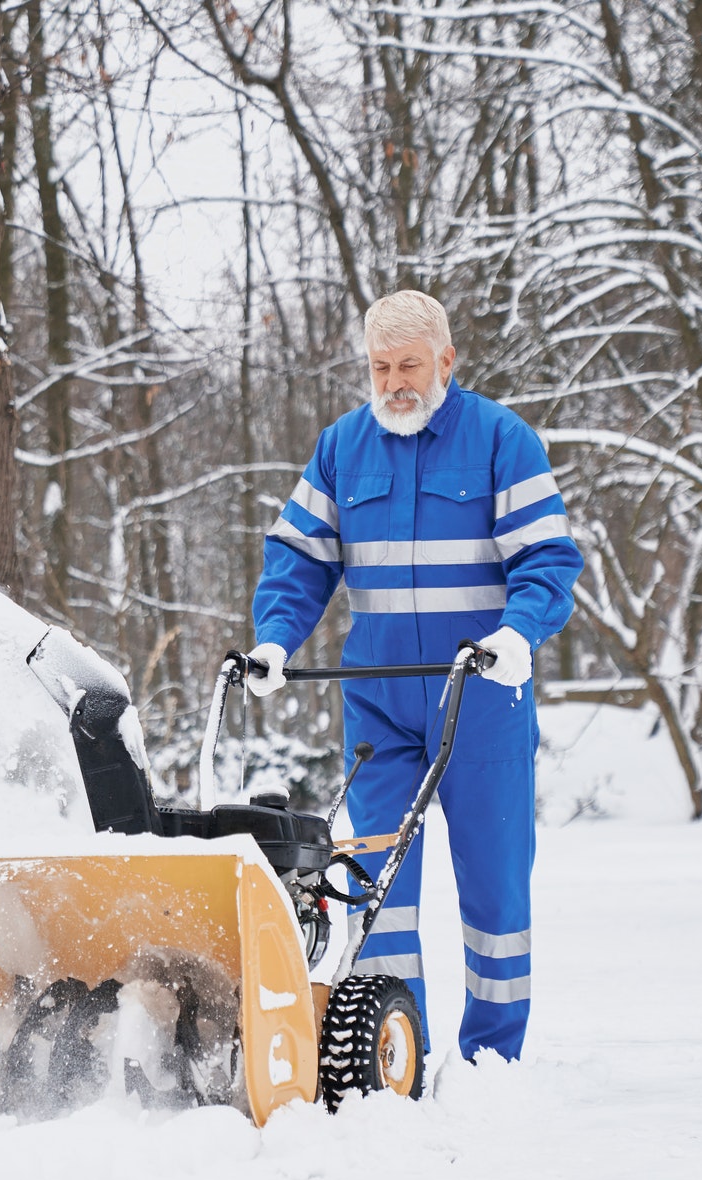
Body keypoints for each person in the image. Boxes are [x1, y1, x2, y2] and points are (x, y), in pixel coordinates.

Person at [246, 290, 580, 1062]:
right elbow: (298, 560)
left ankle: (492, 1059)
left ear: (446, 360)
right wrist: (273, 642)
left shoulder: (502, 438)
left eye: (410, 365)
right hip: (381, 702)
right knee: (377, 889)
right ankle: (399, 1050)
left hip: (482, 695)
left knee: (495, 888)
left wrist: (518, 632)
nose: (395, 381)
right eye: (381, 366)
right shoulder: (342, 448)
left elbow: (547, 560)